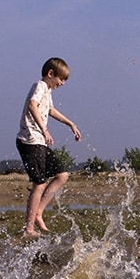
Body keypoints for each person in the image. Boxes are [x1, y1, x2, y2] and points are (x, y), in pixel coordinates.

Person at [16, 57, 81, 237]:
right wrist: (44, 130)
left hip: (39, 141)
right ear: (50, 74)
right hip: (30, 140)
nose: (62, 83)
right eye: (61, 79)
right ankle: (29, 228)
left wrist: (70, 124)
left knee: (62, 175)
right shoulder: (40, 86)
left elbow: (50, 110)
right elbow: (32, 105)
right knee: (39, 183)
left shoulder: (47, 90)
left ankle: (38, 212)